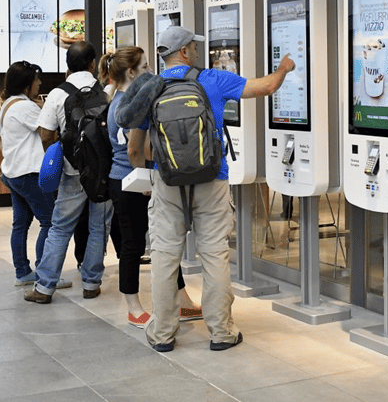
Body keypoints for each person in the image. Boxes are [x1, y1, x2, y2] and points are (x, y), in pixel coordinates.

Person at [126, 26, 294, 353]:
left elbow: (135, 148)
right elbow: (267, 86)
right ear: (184, 52)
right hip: (212, 178)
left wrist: (152, 176)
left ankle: (162, 333)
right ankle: (221, 332)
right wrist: (284, 68)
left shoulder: (151, 87)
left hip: (167, 182)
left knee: (164, 256)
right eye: (193, 46)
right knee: (214, 254)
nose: (197, 51)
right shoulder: (213, 80)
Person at [98, 46, 201, 327]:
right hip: (132, 182)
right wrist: (145, 177)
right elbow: (135, 149)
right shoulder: (127, 104)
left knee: (163, 241)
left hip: (132, 179)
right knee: (133, 245)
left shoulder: (120, 99)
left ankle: (182, 300)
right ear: (131, 72)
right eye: (144, 67)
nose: (150, 71)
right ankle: (133, 306)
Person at [25, 41, 114, 304]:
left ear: (67, 65)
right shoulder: (107, 91)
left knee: (60, 228)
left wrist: (61, 155)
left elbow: (45, 134)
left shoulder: (57, 94)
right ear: (92, 64)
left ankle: (44, 288)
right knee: (99, 227)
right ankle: (91, 283)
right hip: (103, 171)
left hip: (73, 171)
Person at [0, 60, 61, 286]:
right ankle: (45, 274)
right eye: (36, 80)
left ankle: (23, 272)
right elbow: (49, 132)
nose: (40, 83)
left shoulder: (7, 104)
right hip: (29, 173)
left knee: (20, 224)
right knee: (49, 222)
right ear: (26, 84)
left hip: (13, 172)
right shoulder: (26, 107)